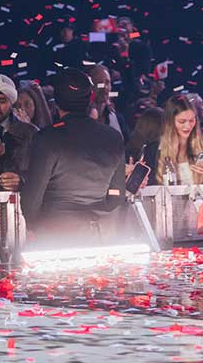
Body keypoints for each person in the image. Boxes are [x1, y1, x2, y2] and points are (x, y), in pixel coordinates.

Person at [19, 69, 126, 245]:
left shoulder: (47, 138)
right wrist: (97, 214)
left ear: (56, 102)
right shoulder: (113, 137)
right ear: (90, 98)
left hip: (55, 236)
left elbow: (33, 197)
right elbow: (117, 194)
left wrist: (33, 225)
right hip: (99, 235)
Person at [146, 94, 203, 186]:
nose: (188, 126)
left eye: (191, 120)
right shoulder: (153, 151)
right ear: (170, 122)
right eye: (182, 121)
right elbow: (147, 187)